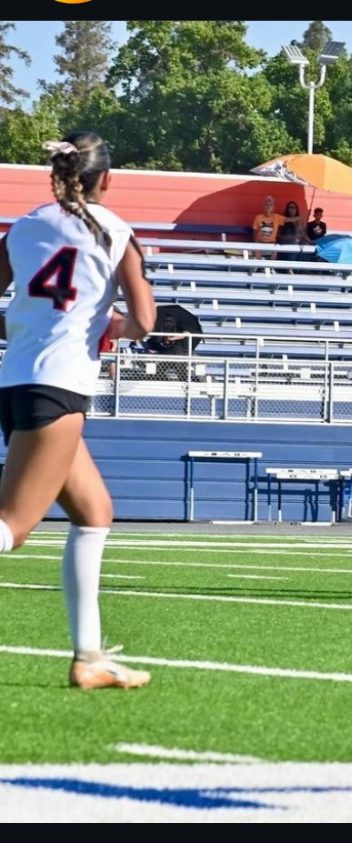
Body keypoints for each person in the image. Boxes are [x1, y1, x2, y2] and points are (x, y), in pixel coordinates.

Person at [0, 131, 157, 689]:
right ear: (106, 180)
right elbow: (143, 322)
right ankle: (88, 658)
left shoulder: (23, 226)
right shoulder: (116, 232)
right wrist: (109, 326)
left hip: (17, 381)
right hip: (59, 386)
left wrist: (29, 327)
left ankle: (89, 658)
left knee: (94, 511)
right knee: (13, 527)